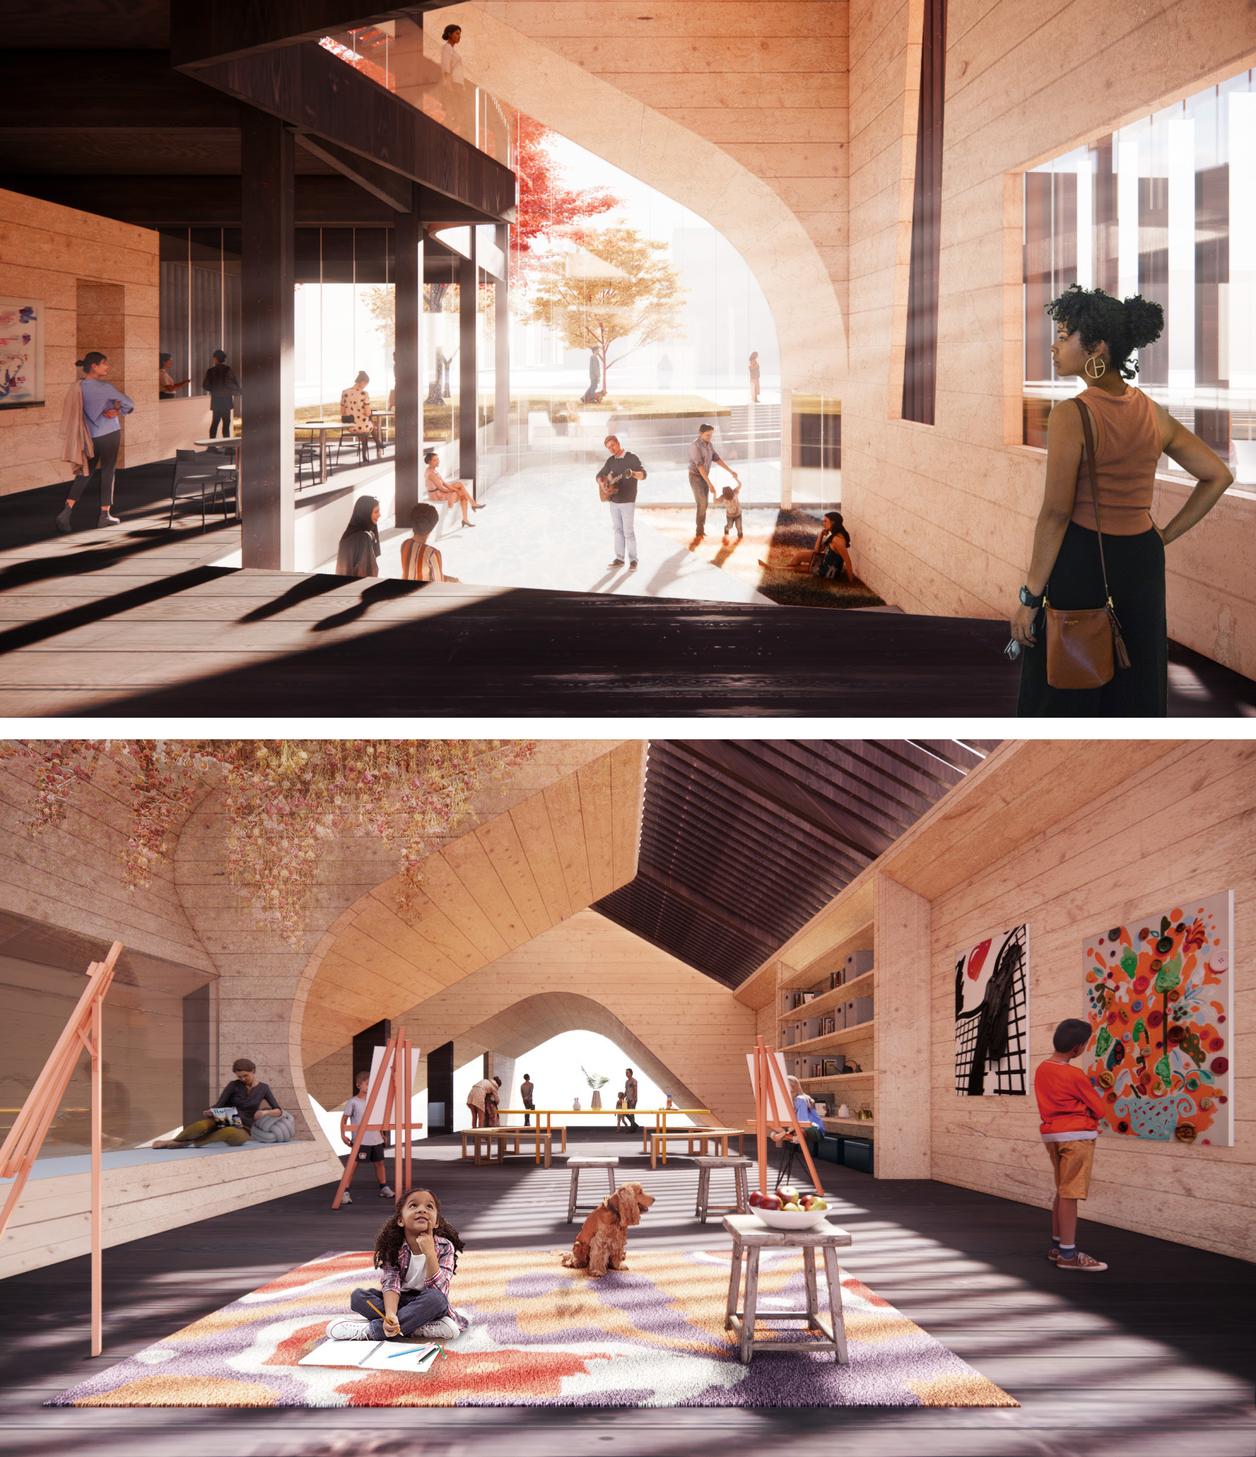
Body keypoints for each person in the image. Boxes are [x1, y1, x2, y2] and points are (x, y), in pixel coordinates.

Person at [1010, 285, 1232, 717]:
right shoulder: (1151, 411)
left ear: (1096, 347)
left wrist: (1029, 597)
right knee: (1137, 679)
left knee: (1064, 681)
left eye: (1063, 335)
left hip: (1083, 559)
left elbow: (1055, 514)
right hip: (1142, 560)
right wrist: (1162, 535)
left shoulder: (1072, 414)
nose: (1053, 347)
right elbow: (1218, 474)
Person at [328, 1187, 468, 1342]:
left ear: (436, 1223)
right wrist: (390, 1314)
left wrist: (429, 1252)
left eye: (429, 1206)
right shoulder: (394, 1247)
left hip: (428, 1302)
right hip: (399, 1300)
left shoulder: (445, 1246)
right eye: (413, 1205)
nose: (422, 1210)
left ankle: (370, 1331)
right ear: (400, 1220)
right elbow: (391, 1284)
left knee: (436, 1299)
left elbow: (440, 1290)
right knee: (358, 1297)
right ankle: (417, 1326)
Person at [1034, 1018, 1109, 1272]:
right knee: (1070, 1193)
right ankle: (1068, 1255)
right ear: (1078, 1048)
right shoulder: (1075, 1074)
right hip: (1076, 1137)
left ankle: (1057, 1247)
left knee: (1062, 1190)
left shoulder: (1042, 1068)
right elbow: (1099, 1109)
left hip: (1052, 1136)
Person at [55, 352, 134, 533]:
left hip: (89, 437)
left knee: (85, 473)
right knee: (108, 472)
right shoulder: (105, 387)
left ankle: (66, 512)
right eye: (104, 363)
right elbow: (129, 403)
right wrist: (117, 411)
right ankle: (104, 515)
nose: (107, 367)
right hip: (109, 434)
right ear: (94, 366)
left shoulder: (77, 387)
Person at [152, 1058, 282, 1148]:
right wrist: (211, 1111)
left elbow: (278, 1110)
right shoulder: (233, 1085)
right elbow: (220, 1104)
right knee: (199, 1125)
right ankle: (172, 1141)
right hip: (226, 1118)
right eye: (239, 1077)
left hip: (243, 1128)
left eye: (245, 1076)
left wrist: (266, 1111)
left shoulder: (264, 1088)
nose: (242, 1079)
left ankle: (191, 1142)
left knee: (228, 1132)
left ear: (253, 1071)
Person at [337, 1068, 395, 1205]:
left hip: (376, 1139)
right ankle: (344, 1191)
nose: (371, 1087)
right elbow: (344, 1119)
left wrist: (382, 1134)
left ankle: (383, 1187)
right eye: (368, 1084)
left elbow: (378, 1119)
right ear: (359, 1085)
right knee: (352, 1165)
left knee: (380, 1163)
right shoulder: (353, 1102)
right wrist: (343, 1135)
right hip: (361, 1140)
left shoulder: (374, 1101)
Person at [597, 433, 647, 571]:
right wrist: (603, 485)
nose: (611, 449)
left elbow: (643, 475)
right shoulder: (611, 461)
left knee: (628, 532)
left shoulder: (632, 457)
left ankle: (633, 560)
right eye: (608, 447)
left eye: (613, 445)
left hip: (628, 500)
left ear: (618, 443)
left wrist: (632, 474)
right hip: (613, 501)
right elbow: (599, 476)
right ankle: (619, 558)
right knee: (617, 530)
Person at [688, 424, 740, 539]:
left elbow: (717, 459)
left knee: (705, 504)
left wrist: (730, 471)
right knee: (701, 504)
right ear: (700, 433)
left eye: (711, 435)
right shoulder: (694, 446)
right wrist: (710, 484)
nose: (709, 437)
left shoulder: (709, 445)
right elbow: (700, 467)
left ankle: (701, 531)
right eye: (707, 435)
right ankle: (699, 533)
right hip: (695, 477)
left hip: (704, 476)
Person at [771, 510, 851, 578]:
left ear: (833, 522)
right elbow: (817, 550)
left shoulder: (837, 540)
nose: (823, 523)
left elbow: (848, 561)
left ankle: (776, 568)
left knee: (798, 568)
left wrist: (851, 582)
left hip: (827, 571)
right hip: (824, 561)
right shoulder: (834, 536)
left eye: (825, 521)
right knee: (800, 555)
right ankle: (782, 568)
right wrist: (821, 535)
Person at [400, 503, 459, 582]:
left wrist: (453, 580)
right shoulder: (432, 553)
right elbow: (438, 584)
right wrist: (455, 581)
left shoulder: (405, 544)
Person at [424, 449, 482, 526]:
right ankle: (466, 517)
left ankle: (473, 504)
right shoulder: (432, 474)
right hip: (437, 494)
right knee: (463, 496)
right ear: (429, 462)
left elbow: (444, 483)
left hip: (439, 490)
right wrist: (456, 491)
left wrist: (456, 489)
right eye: (435, 460)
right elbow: (441, 488)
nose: (438, 461)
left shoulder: (433, 470)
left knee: (460, 484)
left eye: (438, 459)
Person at [335, 495, 381, 578]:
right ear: (366, 513)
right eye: (376, 512)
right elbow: (366, 572)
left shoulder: (347, 535)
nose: (379, 515)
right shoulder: (364, 538)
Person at [340, 370, 383, 458]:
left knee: (366, 424)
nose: (364, 387)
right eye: (365, 385)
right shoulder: (364, 393)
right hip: (362, 426)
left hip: (350, 426)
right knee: (368, 424)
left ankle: (376, 445)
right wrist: (371, 412)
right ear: (363, 382)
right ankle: (369, 450)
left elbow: (343, 412)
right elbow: (367, 413)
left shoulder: (344, 392)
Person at [202, 349, 240, 441]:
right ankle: (227, 446)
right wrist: (239, 390)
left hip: (216, 399)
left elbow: (205, 385)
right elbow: (229, 383)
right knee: (226, 423)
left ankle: (211, 446)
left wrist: (214, 390)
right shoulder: (227, 370)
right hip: (226, 399)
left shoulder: (210, 371)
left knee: (215, 422)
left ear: (215, 359)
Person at [440, 23, 468, 138]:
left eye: (460, 34)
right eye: (457, 33)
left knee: (459, 115)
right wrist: (449, 86)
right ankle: (441, 134)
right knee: (451, 113)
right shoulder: (446, 48)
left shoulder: (452, 50)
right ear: (450, 34)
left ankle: (443, 134)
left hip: (458, 86)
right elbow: (446, 67)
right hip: (452, 85)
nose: (459, 36)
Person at [622, 1067, 638, 1131]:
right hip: (627, 1099)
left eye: (627, 1073)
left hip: (632, 1099)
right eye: (626, 1073)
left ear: (631, 1073)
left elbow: (636, 1090)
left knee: (632, 1113)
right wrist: (622, 1097)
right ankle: (634, 1125)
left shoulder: (634, 1080)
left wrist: (634, 1099)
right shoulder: (626, 1082)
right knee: (625, 1113)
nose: (626, 1074)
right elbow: (626, 1091)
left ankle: (632, 1128)